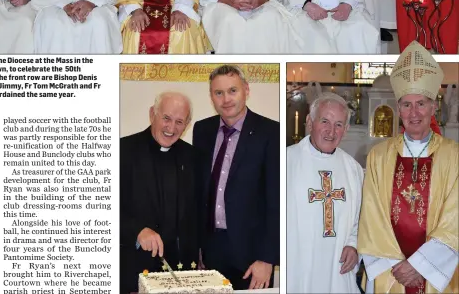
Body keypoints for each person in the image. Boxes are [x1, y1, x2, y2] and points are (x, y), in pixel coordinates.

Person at [358, 41, 458, 293]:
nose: (414, 113)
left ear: (433, 107)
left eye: (421, 103)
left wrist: (422, 266)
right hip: (390, 272)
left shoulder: (454, 155)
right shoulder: (378, 155)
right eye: (406, 104)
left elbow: (455, 219)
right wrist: (398, 266)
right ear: (398, 109)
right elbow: (372, 216)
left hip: (438, 273)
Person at [193, 65, 279, 290]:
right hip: (210, 251)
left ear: (246, 90)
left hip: (252, 256)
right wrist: (198, 249)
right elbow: (199, 192)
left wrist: (268, 258)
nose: (226, 99)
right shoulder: (201, 130)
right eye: (218, 93)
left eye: (233, 91)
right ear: (211, 96)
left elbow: (276, 201)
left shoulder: (270, 133)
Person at [120, 92, 198, 294]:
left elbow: (197, 213)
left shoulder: (192, 157)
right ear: (152, 114)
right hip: (134, 270)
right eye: (166, 118)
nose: (172, 128)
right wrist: (137, 230)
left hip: (180, 273)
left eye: (179, 122)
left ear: (187, 124)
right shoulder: (122, 151)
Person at [287, 92, 364, 294]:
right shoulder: (287, 161)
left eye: (339, 124)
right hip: (298, 267)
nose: (331, 131)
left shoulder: (354, 169)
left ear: (346, 129)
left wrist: (354, 245)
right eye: (325, 121)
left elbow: (362, 217)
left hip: (337, 268)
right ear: (310, 122)